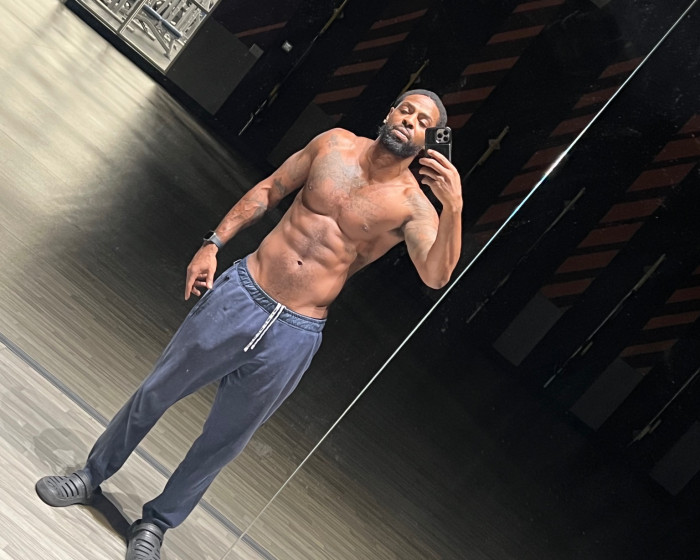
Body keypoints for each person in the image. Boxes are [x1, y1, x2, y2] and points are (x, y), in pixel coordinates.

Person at [35, 89, 463, 560]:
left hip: (295, 332)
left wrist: (454, 208)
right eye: (406, 110)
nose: (410, 121)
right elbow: (269, 189)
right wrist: (213, 243)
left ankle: (156, 524)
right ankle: (91, 476)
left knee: (223, 440)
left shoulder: (413, 206)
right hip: (243, 294)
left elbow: (436, 274)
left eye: (423, 122)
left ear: (428, 141)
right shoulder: (334, 144)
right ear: (389, 111)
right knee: (157, 390)